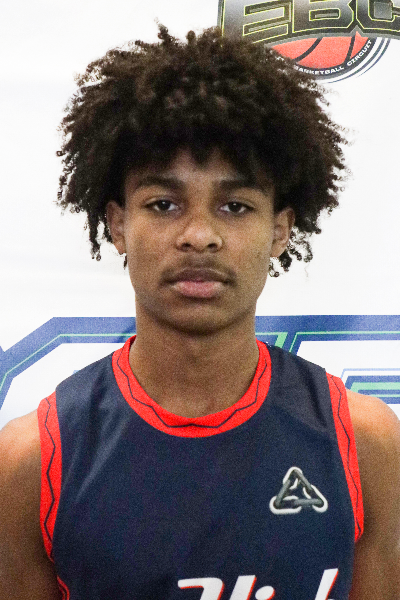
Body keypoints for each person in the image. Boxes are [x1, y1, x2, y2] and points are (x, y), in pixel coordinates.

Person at [0, 25, 399, 600]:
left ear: (280, 230)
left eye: (234, 206)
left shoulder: (363, 443)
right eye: (164, 204)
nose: (199, 235)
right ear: (117, 224)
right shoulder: (32, 461)